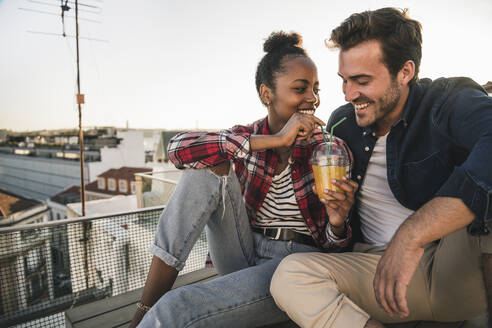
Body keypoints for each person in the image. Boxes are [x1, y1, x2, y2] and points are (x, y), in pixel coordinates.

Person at [270, 7, 492, 328]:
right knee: (290, 276)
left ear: (405, 72)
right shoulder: (341, 124)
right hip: (375, 271)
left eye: (361, 80)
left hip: (448, 266)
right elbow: (338, 241)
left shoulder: (445, 101)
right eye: (344, 81)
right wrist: (337, 222)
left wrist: (412, 234)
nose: (349, 94)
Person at [129, 31, 358, 328]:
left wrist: (338, 224)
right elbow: (177, 150)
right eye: (301, 89)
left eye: (316, 89)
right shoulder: (249, 137)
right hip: (243, 250)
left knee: (176, 309)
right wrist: (273, 140)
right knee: (205, 168)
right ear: (267, 94)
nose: (312, 99)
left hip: (296, 266)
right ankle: (145, 307)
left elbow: (335, 250)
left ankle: (152, 316)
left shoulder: (330, 151)